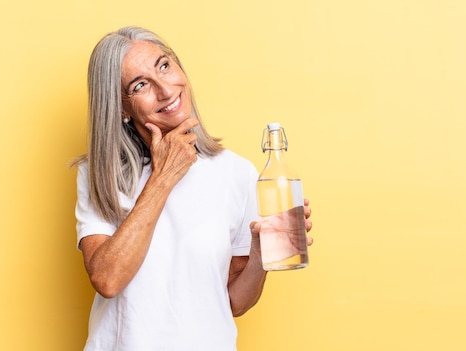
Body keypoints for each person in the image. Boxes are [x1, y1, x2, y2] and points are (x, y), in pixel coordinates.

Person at [73, 26, 313, 351]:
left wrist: (260, 253)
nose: (165, 90)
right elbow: (107, 279)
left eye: (164, 66)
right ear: (121, 108)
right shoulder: (101, 175)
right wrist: (163, 177)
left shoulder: (237, 172)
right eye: (140, 85)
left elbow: (232, 303)